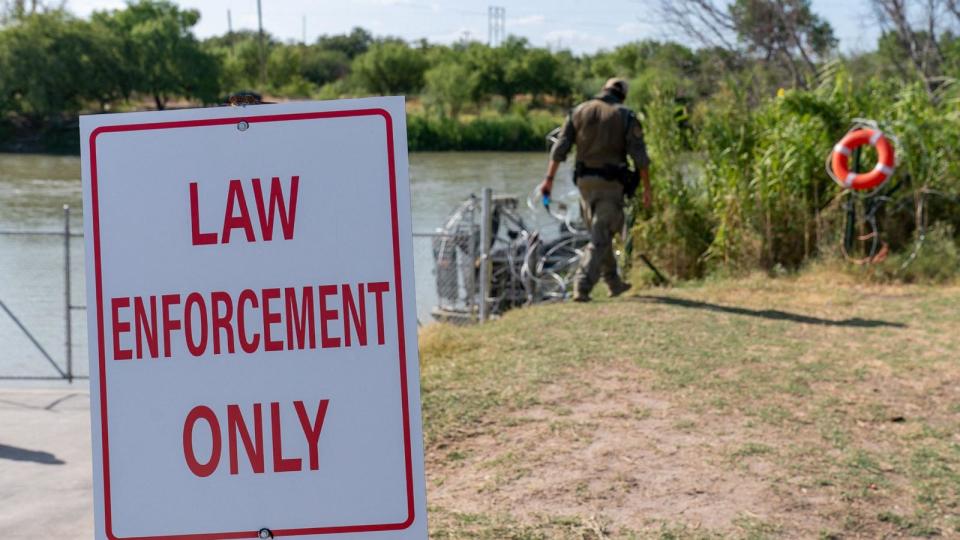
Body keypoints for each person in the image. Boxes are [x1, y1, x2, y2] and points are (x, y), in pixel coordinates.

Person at [539, 77, 652, 302]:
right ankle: (582, 286)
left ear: (604, 90)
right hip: (611, 184)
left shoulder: (578, 111)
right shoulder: (625, 116)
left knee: (600, 233)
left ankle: (614, 283)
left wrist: (548, 180)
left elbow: (559, 149)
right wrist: (647, 189)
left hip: (584, 183)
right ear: (622, 94)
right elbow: (640, 158)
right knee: (602, 235)